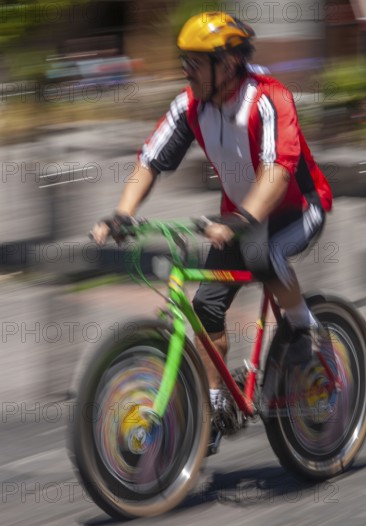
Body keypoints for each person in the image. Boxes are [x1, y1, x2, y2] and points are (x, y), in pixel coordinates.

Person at [91, 12, 333, 440]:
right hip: (238, 219)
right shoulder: (190, 105)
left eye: (197, 61)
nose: (187, 70)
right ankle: (217, 399)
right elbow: (150, 161)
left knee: (266, 254)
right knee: (205, 307)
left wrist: (241, 218)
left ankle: (308, 331)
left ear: (230, 62)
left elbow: (278, 171)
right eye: (185, 60)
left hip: (298, 208)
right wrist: (122, 213)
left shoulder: (268, 98)